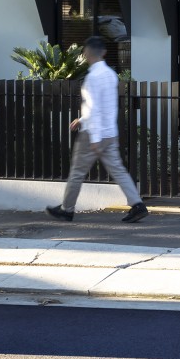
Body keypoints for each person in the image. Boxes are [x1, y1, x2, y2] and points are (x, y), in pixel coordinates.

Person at [46, 35, 148, 223]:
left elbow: (93, 108)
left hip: (94, 133)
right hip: (110, 132)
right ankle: (137, 204)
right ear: (104, 52)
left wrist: (94, 138)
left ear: (85, 54)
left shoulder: (93, 77)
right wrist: (83, 120)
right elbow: (105, 106)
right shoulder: (110, 74)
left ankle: (67, 209)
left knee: (77, 171)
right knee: (118, 170)